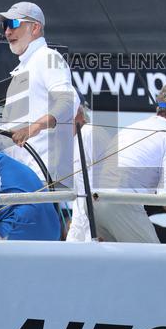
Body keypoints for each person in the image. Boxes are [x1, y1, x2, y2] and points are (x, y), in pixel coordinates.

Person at [92, 80, 166, 243]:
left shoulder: (133, 127)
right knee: (154, 263)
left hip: (93, 203)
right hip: (120, 203)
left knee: (114, 265)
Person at [0, 2, 79, 189]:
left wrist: (34, 127)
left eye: (13, 23)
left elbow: (69, 100)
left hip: (42, 176)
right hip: (22, 177)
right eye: (4, 25)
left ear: (35, 28)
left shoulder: (48, 57)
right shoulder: (24, 67)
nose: (7, 32)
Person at [66, 103, 113, 242]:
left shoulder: (90, 132)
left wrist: (101, 227)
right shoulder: (73, 141)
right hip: (80, 221)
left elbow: (107, 176)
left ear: (78, 115)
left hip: (94, 223)